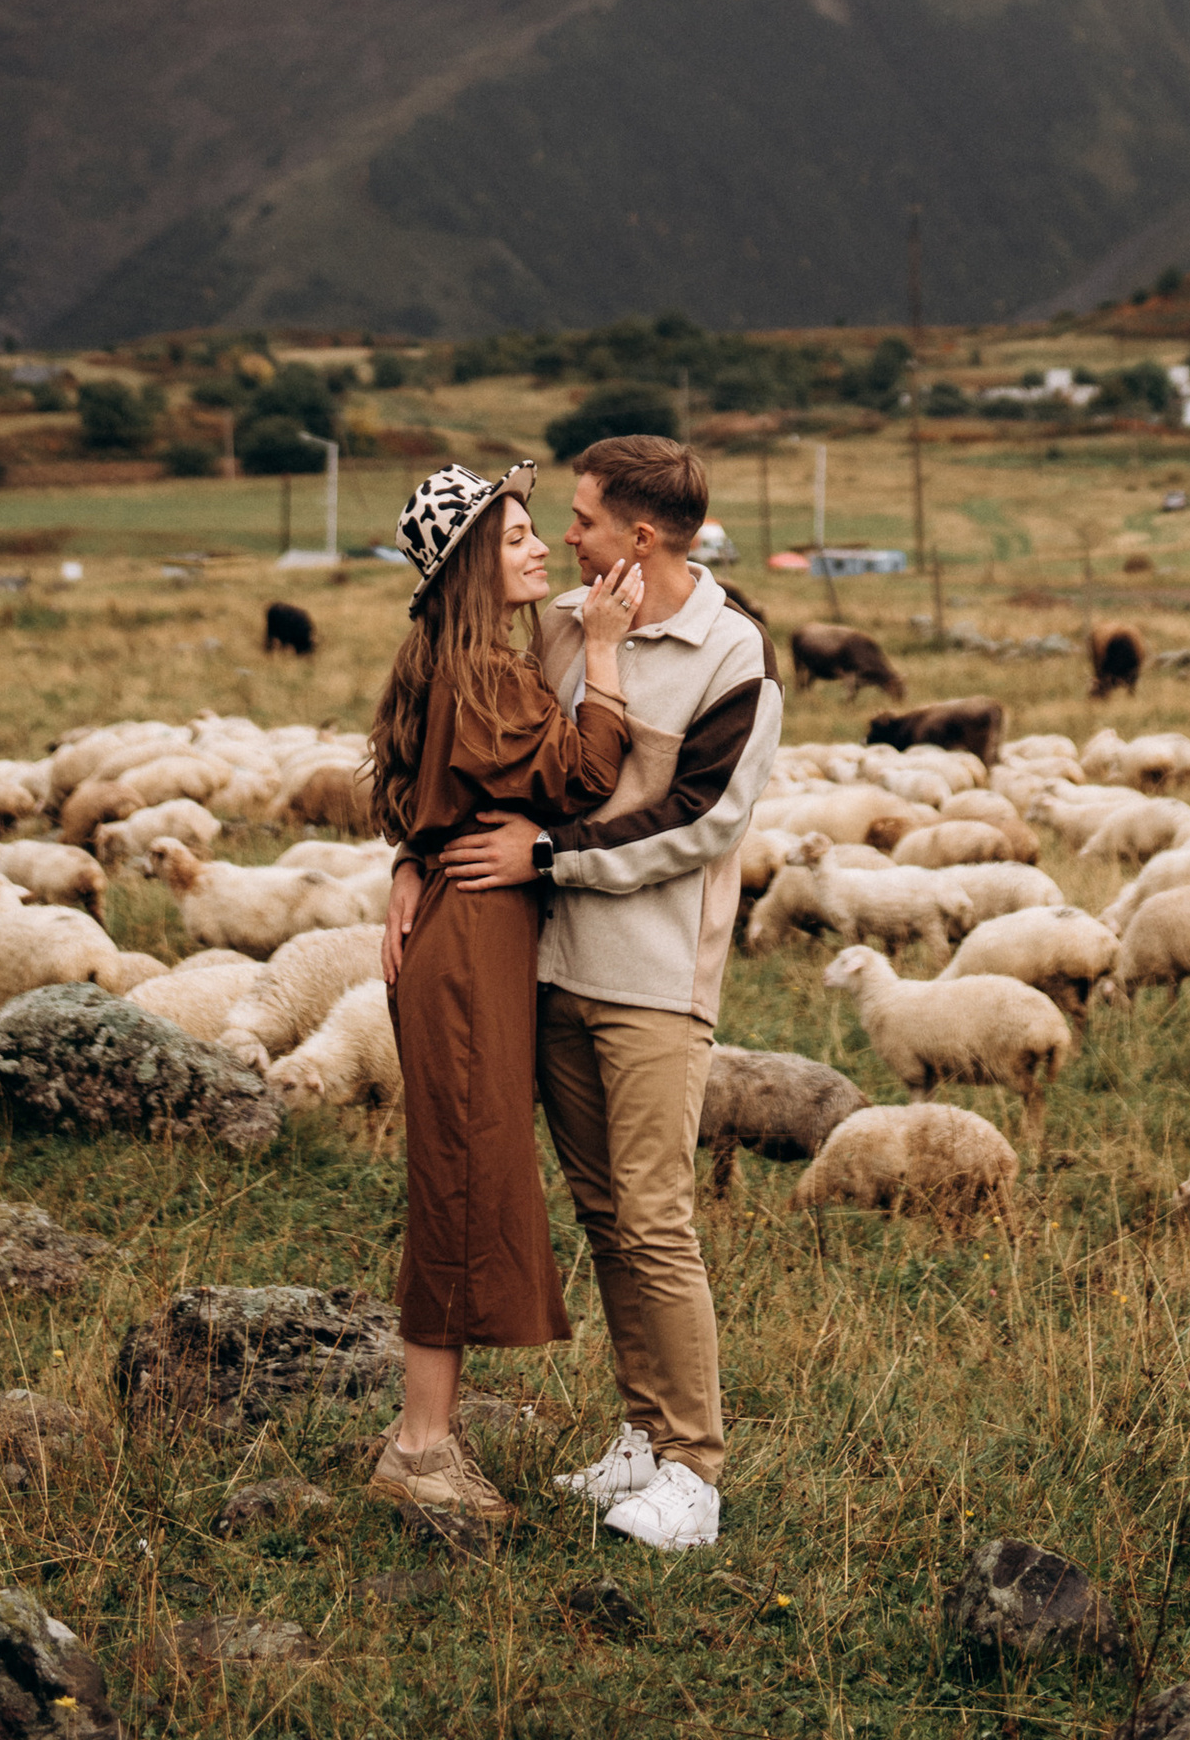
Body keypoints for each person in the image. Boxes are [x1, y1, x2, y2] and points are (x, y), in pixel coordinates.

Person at [400, 433, 783, 1555]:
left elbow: (701, 822)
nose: (567, 534)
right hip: (548, 967)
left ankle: (694, 1471)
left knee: (657, 1215)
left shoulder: (734, 656)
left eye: (581, 518)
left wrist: (550, 855)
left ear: (642, 534)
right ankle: (640, 1431)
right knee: (608, 1214)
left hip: (652, 980)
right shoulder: (568, 624)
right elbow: (470, 759)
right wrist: (408, 861)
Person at [369, 459, 644, 1526]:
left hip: (465, 925)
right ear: (473, 562)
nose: (537, 546)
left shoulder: (460, 659)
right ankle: (420, 1444)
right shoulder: (485, 669)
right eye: (516, 532)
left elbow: (408, 790)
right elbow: (581, 775)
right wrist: (610, 655)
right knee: (463, 1169)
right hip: (472, 938)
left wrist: (410, 858)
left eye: (538, 528)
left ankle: (427, 1434)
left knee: (465, 1163)